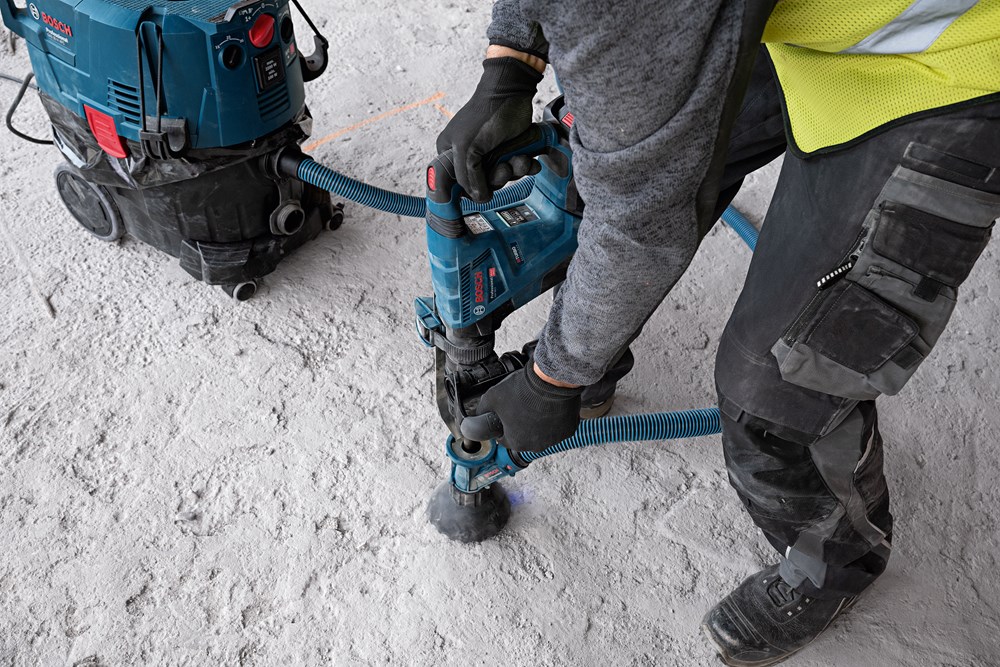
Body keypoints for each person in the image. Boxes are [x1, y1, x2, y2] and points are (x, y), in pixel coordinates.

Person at [435, 1, 1000, 665]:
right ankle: (596, 355)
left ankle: (834, 566)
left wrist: (553, 377)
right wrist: (511, 61)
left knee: (778, 381)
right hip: (797, 23)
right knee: (591, 173)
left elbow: (640, 222)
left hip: (954, 59)